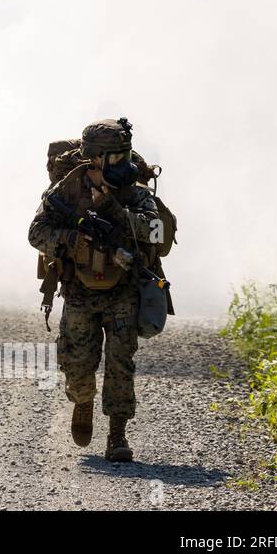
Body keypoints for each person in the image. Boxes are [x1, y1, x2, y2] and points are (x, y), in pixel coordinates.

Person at [28, 118, 161, 462]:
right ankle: (83, 401)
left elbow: (157, 233)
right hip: (79, 292)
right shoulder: (68, 191)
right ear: (96, 159)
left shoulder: (134, 191)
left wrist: (116, 213)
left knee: (121, 363)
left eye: (125, 155)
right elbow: (36, 233)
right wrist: (72, 240)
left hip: (123, 291)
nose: (124, 163)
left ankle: (117, 435)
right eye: (116, 157)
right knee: (77, 363)